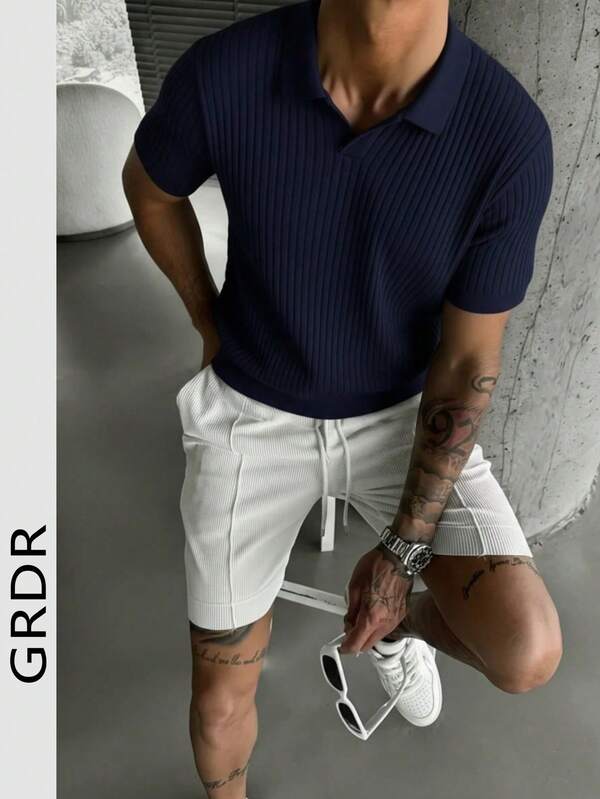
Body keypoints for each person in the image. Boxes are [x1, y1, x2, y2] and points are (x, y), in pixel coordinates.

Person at [122, 1, 562, 796]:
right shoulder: (226, 73)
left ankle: (404, 624)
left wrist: (402, 557)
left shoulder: (506, 135)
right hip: (251, 410)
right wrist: (208, 322)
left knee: (526, 647)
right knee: (218, 705)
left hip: (405, 416)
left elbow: (467, 361)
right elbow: (150, 189)